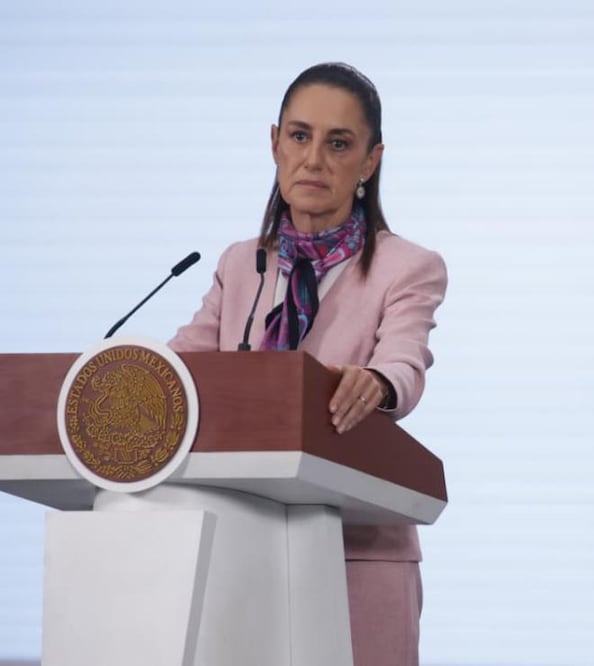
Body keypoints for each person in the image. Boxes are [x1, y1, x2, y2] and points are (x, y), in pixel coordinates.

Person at [169, 62, 447, 666]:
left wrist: (376, 382)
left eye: (339, 143)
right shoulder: (242, 263)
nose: (314, 159)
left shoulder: (407, 266)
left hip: (359, 548)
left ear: (370, 161)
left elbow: (405, 360)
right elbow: (182, 369)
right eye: (300, 136)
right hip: (242, 541)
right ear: (275, 143)